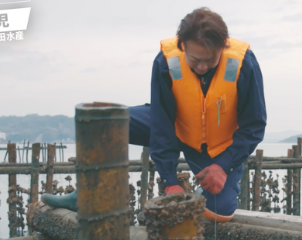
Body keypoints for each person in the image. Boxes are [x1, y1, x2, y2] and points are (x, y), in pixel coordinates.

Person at [42, 7, 267, 222]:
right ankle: (86, 195)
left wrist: (223, 166)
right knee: (104, 123)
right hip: (172, 121)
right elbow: (161, 121)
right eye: (196, 59)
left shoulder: (244, 63)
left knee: (220, 213)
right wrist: (170, 181)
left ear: (223, 46)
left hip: (218, 146)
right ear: (182, 46)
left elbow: (254, 125)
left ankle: (200, 196)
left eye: (210, 60)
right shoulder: (166, 60)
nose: (202, 66)